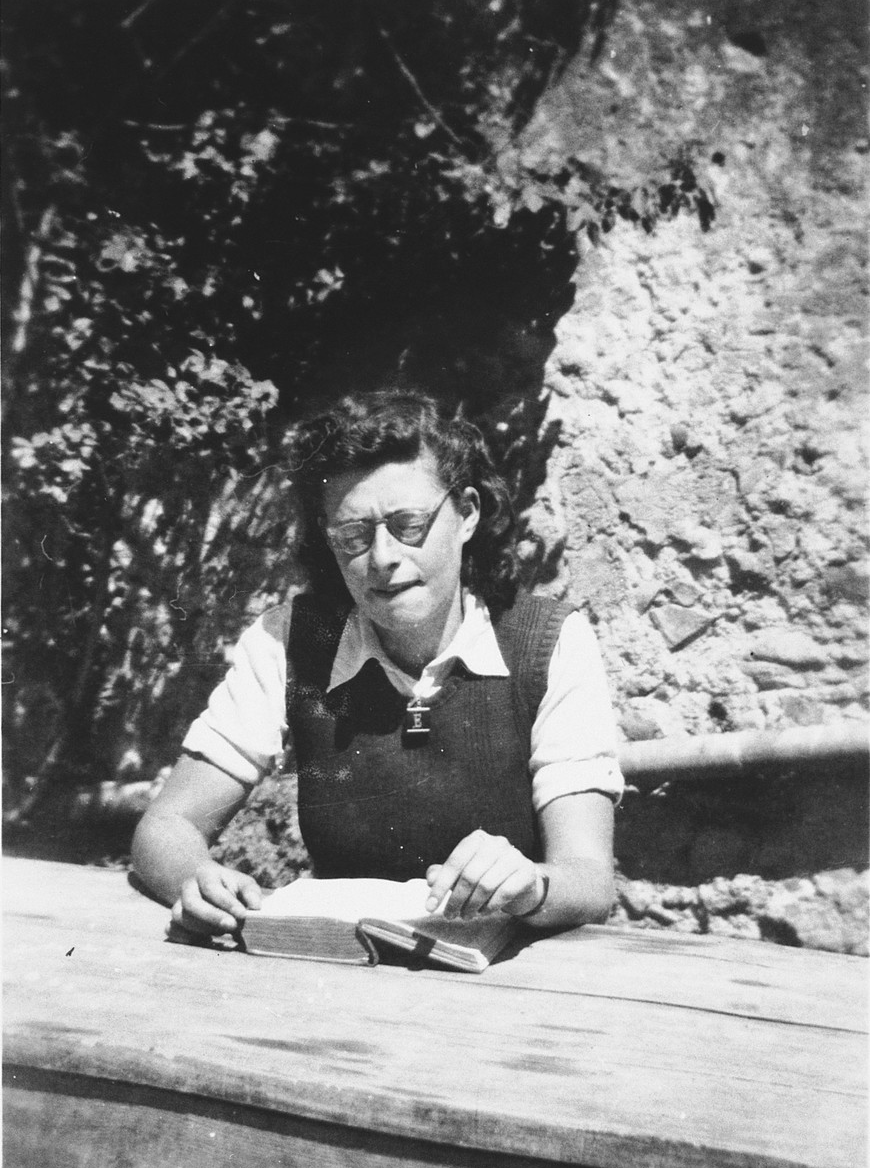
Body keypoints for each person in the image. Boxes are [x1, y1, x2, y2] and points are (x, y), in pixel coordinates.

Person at [131, 389, 623, 936]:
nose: (383, 559)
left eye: (409, 525)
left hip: (506, 982)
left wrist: (531, 885)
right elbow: (166, 825)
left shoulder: (548, 642)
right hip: (341, 967)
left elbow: (589, 879)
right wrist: (196, 879)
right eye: (354, 535)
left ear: (466, 515)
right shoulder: (292, 640)